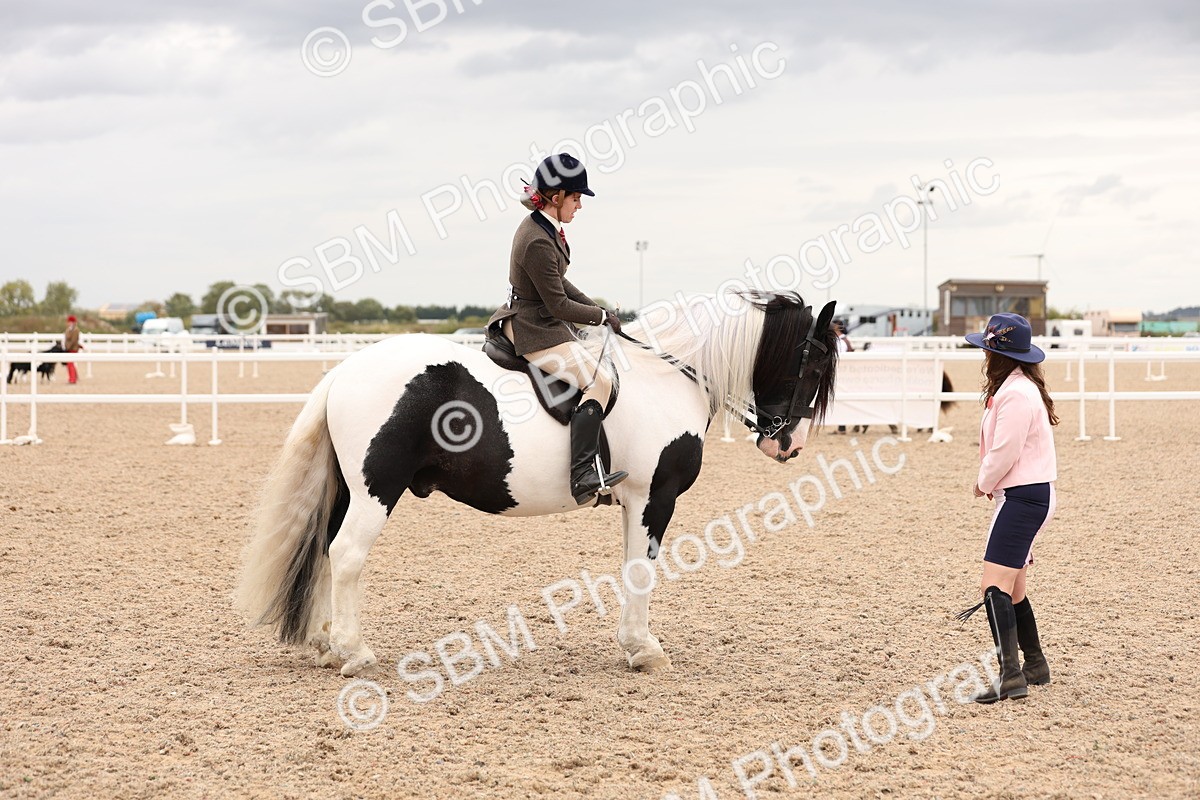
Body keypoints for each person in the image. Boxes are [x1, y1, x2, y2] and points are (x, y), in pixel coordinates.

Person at [487, 153, 627, 505]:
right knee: (600, 381)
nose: (579, 205)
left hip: (544, 322)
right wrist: (598, 318)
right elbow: (559, 305)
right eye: (576, 198)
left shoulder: (545, 229)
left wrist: (599, 310)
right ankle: (582, 474)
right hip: (533, 328)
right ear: (555, 197)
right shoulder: (536, 239)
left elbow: (561, 284)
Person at [957, 312, 1058, 704]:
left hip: (1022, 497)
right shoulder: (1021, 387)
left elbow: (1005, 449)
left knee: (992, 586)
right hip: (1029, 494)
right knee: (1014, 588)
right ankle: (1034, 665)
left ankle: (1010, 675)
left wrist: (982, 482)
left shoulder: (1016, 393)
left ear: (996, 355)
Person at [63, 315, 82, 384]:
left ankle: (73, 379)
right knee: (70, 364)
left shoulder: (75, 330)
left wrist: (68, 347)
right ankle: (74, 377)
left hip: (73, 348)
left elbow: (73, 340)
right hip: (69, 348)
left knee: (70, 364)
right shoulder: (69, 329)